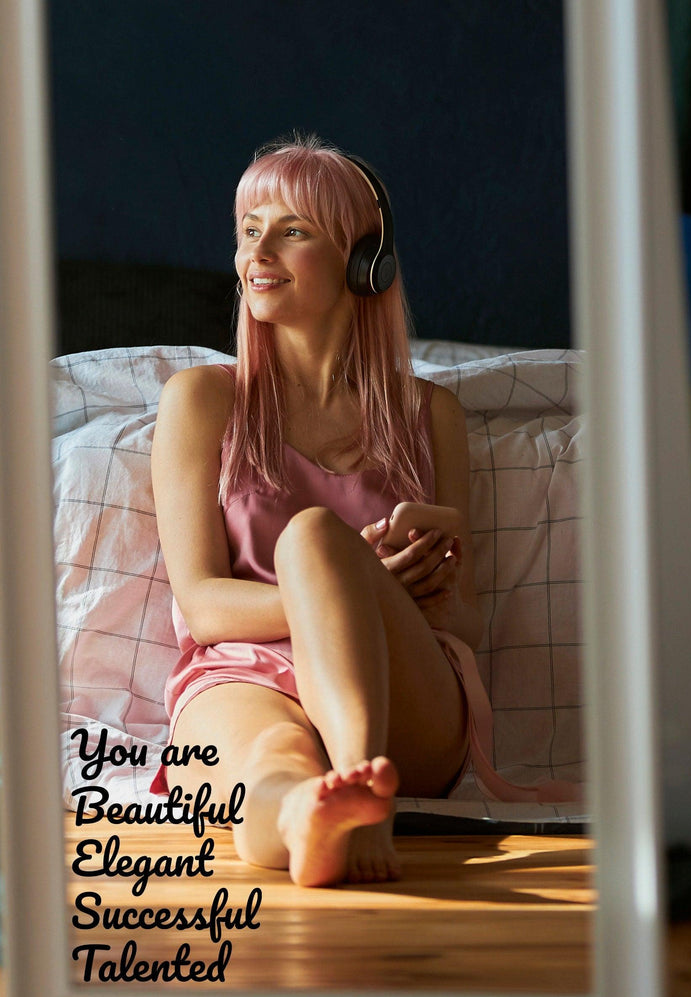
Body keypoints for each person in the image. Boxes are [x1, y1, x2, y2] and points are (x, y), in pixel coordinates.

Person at [151, 135, 484, 888]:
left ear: (365, 262)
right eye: (249, 230)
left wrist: (414, 595)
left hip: (406, 687)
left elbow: (467, 625)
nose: (257, 253)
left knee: (314, 539)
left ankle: (362, 786)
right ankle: (312, 814)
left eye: (291, 230)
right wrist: (351, 588)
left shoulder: (433, 415)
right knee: (274, 761)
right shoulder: (201, 400)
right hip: (245, 671)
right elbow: (202, 607)